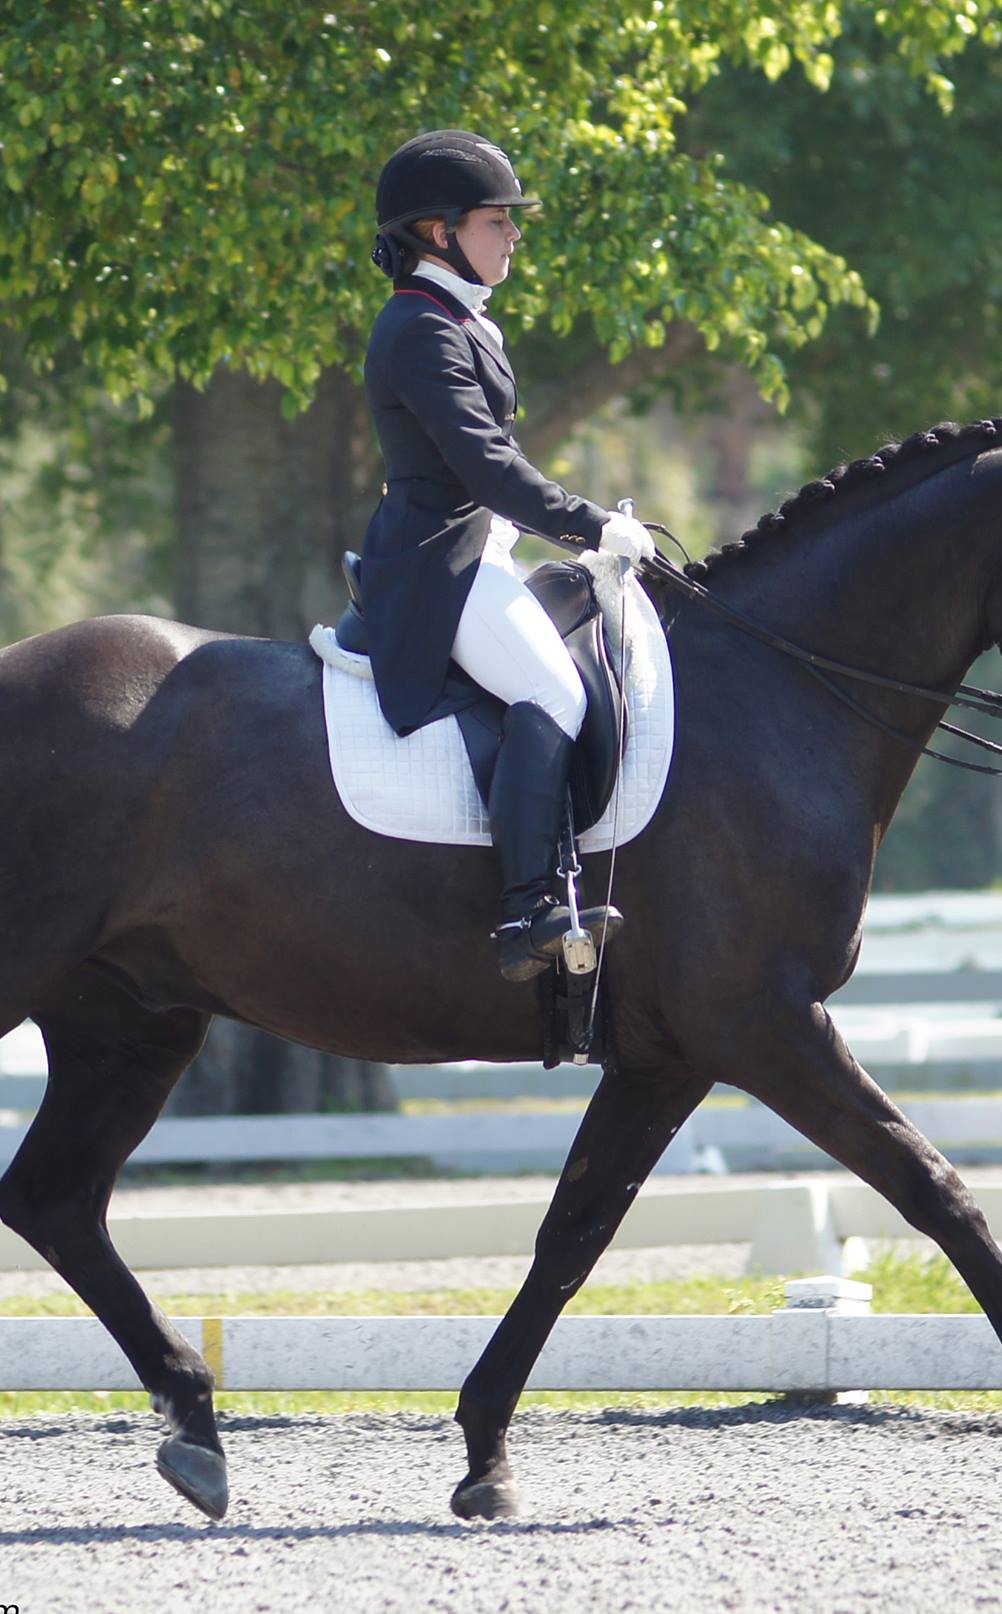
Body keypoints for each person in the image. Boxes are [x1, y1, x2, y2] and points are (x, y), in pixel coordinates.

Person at [361, 129, 654, 984]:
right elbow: (485, 465)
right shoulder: (420, 329)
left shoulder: (457, 318)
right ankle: (527, 909)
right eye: (498, 220)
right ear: (438, 231)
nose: (515, 235)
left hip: (480, 550)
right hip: (437, 566)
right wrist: (592, 525)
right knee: (553, 690)